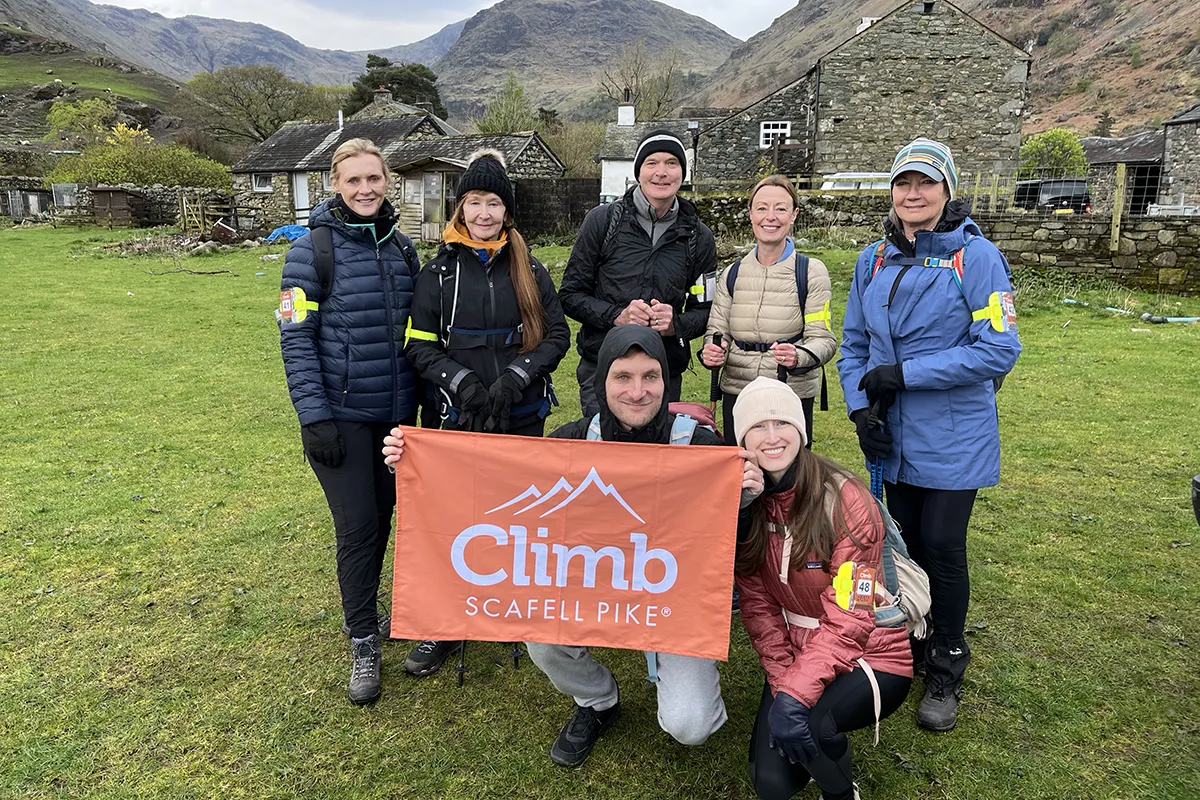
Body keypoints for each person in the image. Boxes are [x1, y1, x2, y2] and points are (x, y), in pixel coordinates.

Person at [383, 326, 759, 767]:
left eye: (650, 376)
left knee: (691, 724)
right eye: (623, 377)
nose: (637, 392)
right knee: (537, 633)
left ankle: (670, 675)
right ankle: (598, 699)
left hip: (669, 599)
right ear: (602, 380)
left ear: (665, 380)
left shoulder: (701, 447)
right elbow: (500, 496)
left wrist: (745, 501)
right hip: (587, 587)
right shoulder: (572, 440)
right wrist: (419, 466)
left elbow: (733, 548)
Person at [838, 138, 1021, 732]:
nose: (913, 194)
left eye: (926, 183)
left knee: (942, 545)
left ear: (947, 190)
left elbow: (998, 348)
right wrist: (860, 410)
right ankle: (910, 646)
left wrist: (907, 374)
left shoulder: (977, 257)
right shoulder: (872, 260)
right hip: (891, 435)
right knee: (905, 546)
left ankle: (946, 663)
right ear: (891, 191)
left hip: (953, 434)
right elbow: (855, 346)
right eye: (903, 183)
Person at [401, 148, 570, 677]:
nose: (483, 213)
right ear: (460, 208)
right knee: (458, 521)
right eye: (474, 201)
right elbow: (418, 344)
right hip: (459, 416)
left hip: (520, 412)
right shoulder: (438, 273)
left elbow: (558, 335)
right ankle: (447, 624)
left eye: (493, 202)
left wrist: (518, 377)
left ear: (507, 210)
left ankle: (517, 610)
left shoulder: (532, 269)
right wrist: (462, 381)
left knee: (521, 517)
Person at [279, 137, 422, 706]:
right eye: (353, 180)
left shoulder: (404, 249)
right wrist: (314, 416)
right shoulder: (310, 252)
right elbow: (295, 338)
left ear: (389, 182)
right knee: (359, 525)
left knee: (392, 517)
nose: (366, 189)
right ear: (335, 185)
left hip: (397, 415)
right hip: (339, 418)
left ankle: (383, 610)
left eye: (374, 179)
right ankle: (363, 638)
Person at [733, 377, 913, 800]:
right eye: (758, 427)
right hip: (800, 650)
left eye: (783, 423)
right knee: (772, 785)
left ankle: (841, 792)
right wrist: (783, 683)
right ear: (742, 439)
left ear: (802, 428)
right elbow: (758, 609)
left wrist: (795, 698)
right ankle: (815, 735)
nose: (773, 437)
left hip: (872, 649)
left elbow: (855, 613)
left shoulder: (848, 500)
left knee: (809, 723)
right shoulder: (747, 501)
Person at [559, 129, 717, 416]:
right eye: (652, 163)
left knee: (656, 458)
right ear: (638, 171)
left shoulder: (699, 237)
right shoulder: (602, 222)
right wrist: (617, 316)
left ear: (683, 172)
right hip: (605, 367)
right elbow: (570, 295)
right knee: (605, 455)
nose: (662, 173)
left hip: (662, 370)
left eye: (671, 163)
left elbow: (706, 310)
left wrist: (675, 325)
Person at [701, 174, 837, 446]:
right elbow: (717, 331)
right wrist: (713, 350)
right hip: (737, 389)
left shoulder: (811, 272)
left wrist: (798, 355)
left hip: (788, 392)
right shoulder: (733, 273)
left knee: (789, 480)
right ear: (750, 213)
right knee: (739, 475)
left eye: (781, 208)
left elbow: (824, 340)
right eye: (762, 208)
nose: (770, 217)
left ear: (794, 214)